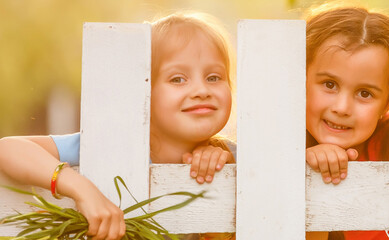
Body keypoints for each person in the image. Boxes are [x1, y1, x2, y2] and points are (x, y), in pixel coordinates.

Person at [0, 11, 236, 240]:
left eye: (213, 77)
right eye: (178, 79)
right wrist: (79, 188)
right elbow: (8, 149)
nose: (201, 91)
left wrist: (225, 161)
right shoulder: (109, 146)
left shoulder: (234, 159)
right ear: (144, 93)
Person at [303, 3, 389, 240]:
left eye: (364, 93)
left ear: (388, 104)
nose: (342, 108)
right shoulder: (273, 151)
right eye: (329, 84)